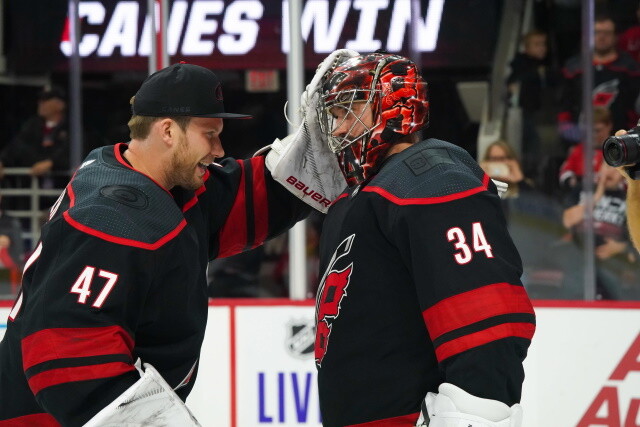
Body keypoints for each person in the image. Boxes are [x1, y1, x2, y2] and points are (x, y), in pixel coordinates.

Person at [0, 63, 309, 425]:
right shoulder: (109, 217)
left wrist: (321, 155)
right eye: (210, 134)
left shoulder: (153, 184)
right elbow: (67, 351)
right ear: (167, 131)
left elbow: (240, 198)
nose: (218, 149)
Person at [296, 52, 535, 426]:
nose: (338, 129)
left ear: (393, 106)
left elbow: (488, 328)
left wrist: (475, 416)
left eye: (348, 112)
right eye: (335, 116)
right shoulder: (355, 198)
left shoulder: (432, 180)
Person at [558, 14, 640, 146]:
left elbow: (635, 108)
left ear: (615, 36)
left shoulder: (630, 69)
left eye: (607, 33)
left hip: (621, 143)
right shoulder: (574, 68)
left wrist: (631, 138)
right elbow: (565, 107)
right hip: (581, 143)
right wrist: (571, 140)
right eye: (597, 32)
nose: (601, 37)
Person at [562, 161, 638, 299]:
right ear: (600, 169)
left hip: (611, 262)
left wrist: (622, 247)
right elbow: (568, 220)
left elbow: (634, 235)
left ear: (623, 175)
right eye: (608, 167)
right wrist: (597, 196)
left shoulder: (627, 199)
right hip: (578, 255)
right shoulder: (582, 190)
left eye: (616, 170)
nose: (610, 172)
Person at [506, 29, 558, 165]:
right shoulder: (520, 65)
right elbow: (512, 85)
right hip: (526, 113)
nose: (542, 48)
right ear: (527, 47)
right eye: (537, 44)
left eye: (543, 44)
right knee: (532, 144)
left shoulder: (548, 65)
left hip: (544, 115)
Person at [558, 107, 611, 190]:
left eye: (598, 130)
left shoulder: (617, 150)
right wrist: (571, 180)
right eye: (591, 131)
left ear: (609, 126)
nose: (594, 135)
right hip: (581, 195)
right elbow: (565, 172)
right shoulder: (580, 149)